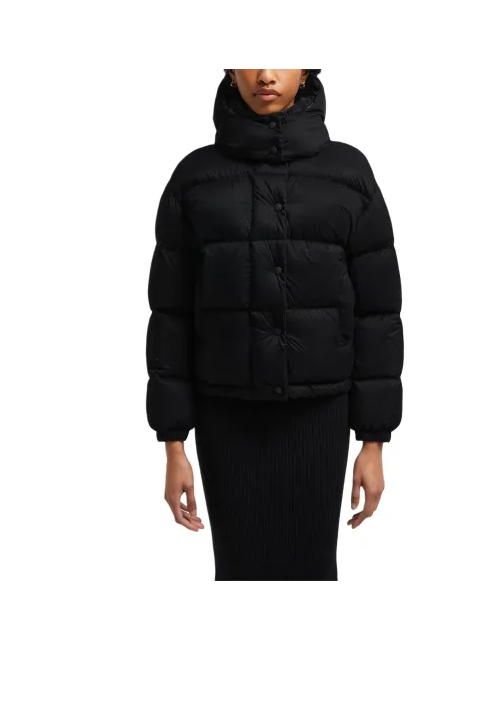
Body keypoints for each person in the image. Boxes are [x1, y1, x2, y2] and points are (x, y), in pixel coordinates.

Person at [146, 69, 403, 580]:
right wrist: (173, 444)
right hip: (226, 419)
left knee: (312, 572)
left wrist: (373, 441)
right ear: (228, 69)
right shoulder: (195, 178)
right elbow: (170, 317)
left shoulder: (349, 174)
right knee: (237, 572)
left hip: (319, 417)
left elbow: (378, 314)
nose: (265, 74)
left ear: (307, 69)